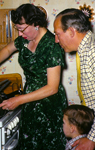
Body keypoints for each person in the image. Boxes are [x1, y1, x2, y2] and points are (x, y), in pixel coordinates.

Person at [0, 3, 68, 149]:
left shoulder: (52, 45)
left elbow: (52, 88)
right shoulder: (24, 40)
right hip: (30, 101)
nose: (20, 34)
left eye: (22, 29)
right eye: (17, 29)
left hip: (49, 105)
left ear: (35, 24)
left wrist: (19, 100)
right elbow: (7, 49)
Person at [54, 8, 95, 150]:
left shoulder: (92, 54)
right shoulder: (86, 51)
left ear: (71, 31)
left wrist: (92, 138)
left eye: (58, 34)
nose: (56, 40)